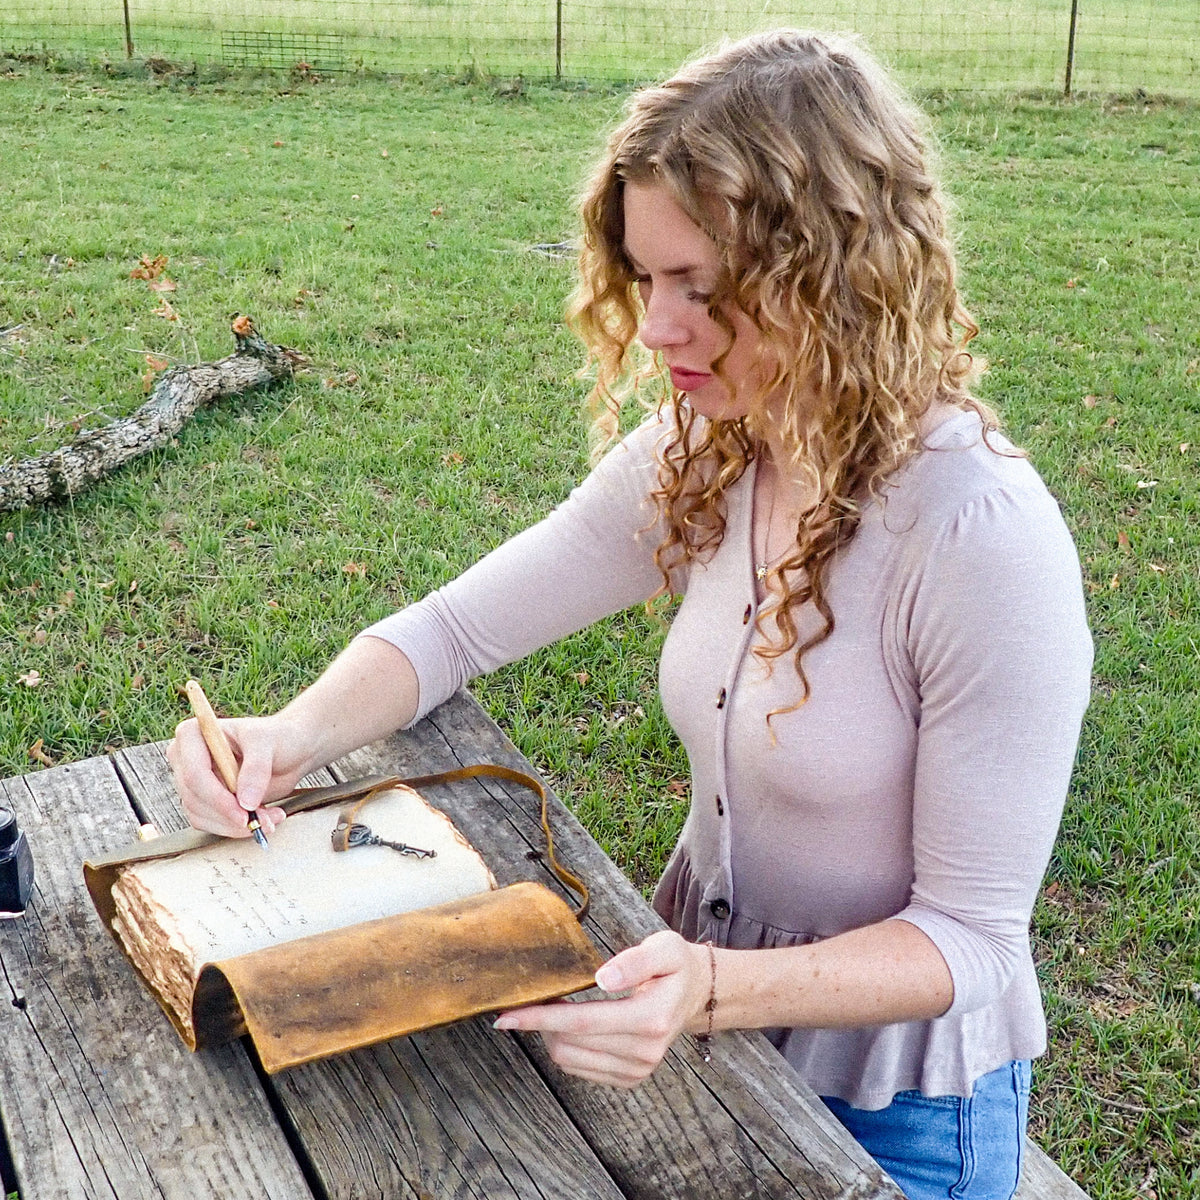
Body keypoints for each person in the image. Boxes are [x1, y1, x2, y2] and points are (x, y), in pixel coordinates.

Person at [169, 29, 1092, 1200]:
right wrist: (285, 738)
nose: (656, 329)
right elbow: (455, 630)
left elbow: (970, 937)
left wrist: (708, 990)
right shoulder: (715, 443)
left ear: (837, 277)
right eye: (647, 278)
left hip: (900, 1108)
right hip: (693, 1019)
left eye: (703, 290)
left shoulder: (980, 536)